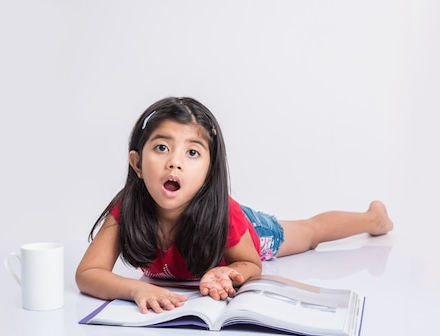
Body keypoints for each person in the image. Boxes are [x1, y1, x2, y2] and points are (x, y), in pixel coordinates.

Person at [75, 97, 393, 314]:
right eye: (161, 147)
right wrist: (135, 290)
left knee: (310, 233)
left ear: (210, 170)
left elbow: (251, 264)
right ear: (137, 163)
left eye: (192, 153)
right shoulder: (127, 208)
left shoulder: (225, 216)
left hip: (247, 228)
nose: (174, 163)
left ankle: (373, 218)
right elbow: (88, 273)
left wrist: (229, 272)